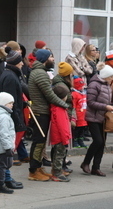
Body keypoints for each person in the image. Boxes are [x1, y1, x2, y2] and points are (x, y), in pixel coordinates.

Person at [28, 48, 69, 181]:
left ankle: (38, 167)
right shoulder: (40, 74)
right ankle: (33, 171)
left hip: (40, 111)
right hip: (40, 113)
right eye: (51, 57)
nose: (53, 60)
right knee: (39, 142)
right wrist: (65, 104)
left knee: (40, 142)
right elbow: (50, 95)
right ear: (45, 59)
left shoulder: (39, 72)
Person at [0, 48, 28, 171]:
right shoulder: (10, 77)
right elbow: (10, 101)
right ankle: (4, 177)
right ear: (16, 63)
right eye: (20, 61)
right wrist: (17, 119)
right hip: (11, 116)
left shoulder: (11, 74)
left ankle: (5, 176)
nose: (22, 63)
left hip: (13, 115)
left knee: (9, 150)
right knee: (8, 151)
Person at [81, 64, 113, 177]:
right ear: (105, 76)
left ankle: (96, 167)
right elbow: (91, 102)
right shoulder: (94, 84)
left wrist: (110, 105)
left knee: (102, 143)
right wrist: (106, 107)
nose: (112, 79)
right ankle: (85, 162)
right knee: (98, 141)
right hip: (93, 117)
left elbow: (108, 101)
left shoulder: (107, 85)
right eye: (110, 76)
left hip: (103, 117)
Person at [49, 84, 72, 182]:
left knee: (57, 155)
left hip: (58, 136)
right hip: (60, 137)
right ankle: (57, 173)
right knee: (59, 155)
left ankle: (55, 171)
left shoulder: (56, 107)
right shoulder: (60, 109)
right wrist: (65, 138)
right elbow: (62, 126)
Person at [71, 76, 88, 148]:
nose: (83, 87)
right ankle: (75, 141)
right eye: (81, 86)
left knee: (82, 129)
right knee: (77, 129)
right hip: (78, 115)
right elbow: (73, 106)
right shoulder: (74, 94)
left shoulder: (83, 93)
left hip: (84, 115)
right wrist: (74, 116)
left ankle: (80, 140)